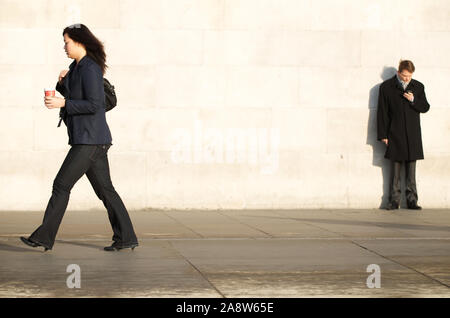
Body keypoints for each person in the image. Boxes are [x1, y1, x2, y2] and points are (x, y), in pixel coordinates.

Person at [20, 24, 138, 251]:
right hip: (89, 139)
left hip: (91, 140)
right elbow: (76, 97)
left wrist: (63, 103)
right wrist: (61, 84)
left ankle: (43, 237)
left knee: (61, 184)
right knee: (106, 191)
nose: (64, 46)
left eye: (67, 42)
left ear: (80, 42)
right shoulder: (76, 68)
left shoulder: (90, 69)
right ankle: (126, 238)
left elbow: (95, 105)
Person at [377, 60, 430, 210]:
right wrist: (383, 135)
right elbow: (382, 113)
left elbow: (425, 107)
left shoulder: (418, 86)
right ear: (399, 73)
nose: (407, 79)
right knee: (395, 171)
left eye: (410, 76)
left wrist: (413, 100)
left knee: (411, 171)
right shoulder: (387, 87)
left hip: (412, 135)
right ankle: (394, 201)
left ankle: (412, 200)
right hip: (394, 133)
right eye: (404, 75)